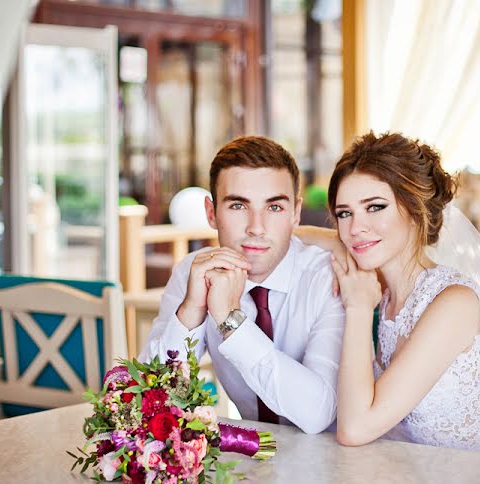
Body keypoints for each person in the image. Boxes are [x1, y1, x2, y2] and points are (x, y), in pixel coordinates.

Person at [299, 132, 480, 457]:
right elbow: (307, 237)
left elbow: (355, 429)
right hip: (435, 473)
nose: (355, 228)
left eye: (375, 207)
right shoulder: (386, 291)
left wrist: (357, 308)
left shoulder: (454, 303)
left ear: (414, 209)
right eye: (345, 213)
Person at [139, 136, 345, 435]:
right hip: (252, 464)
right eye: (238, 205)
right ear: (211, 213)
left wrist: (230, 319)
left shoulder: (327, 277)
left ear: (295, 213)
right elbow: (149, 403)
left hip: (337, 463)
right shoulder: (192, 273)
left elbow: (317, 414)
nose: (256, 227)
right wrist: (192, 311)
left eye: (274, 207)